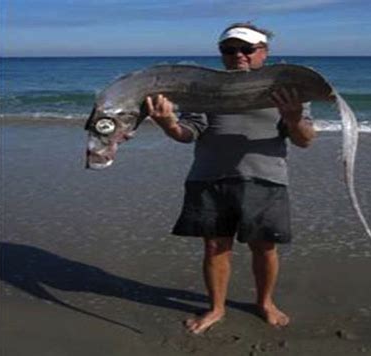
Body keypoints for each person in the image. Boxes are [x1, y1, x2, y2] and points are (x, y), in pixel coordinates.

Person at [145, 22, 316, 334]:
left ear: (264, 52)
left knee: (264, 247)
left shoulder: (287, 87)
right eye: (230, 49)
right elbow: (188, 133)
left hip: (266, 179)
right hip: (209, 179)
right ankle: (217, 307)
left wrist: (293, 119)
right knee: (214, 247)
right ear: (221, 54)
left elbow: (305, 140)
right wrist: (168, 123)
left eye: (248, 49)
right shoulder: (202, 87)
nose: (239, 55)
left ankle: (265, 302)